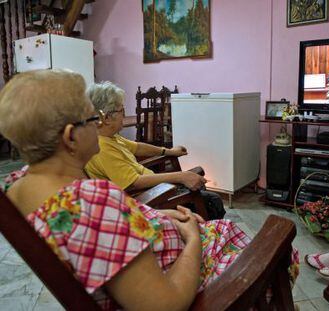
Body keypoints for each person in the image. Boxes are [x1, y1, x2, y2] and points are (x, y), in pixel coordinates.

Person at [0, 69, 299, 310]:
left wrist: (158, 215)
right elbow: (165, 303)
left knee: (221, 226)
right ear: (70, 137)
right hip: (184, 269)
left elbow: (107, 226)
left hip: (158, 240)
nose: (101, 124)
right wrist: (193, 239)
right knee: (275, 245)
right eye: (93, 118)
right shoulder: (95, 203)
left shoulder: (19, 186)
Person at [84, 81, 225, 220]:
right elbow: (134, 182)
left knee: (198, 186)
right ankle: (205, 236)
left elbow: (137, 147)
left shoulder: (110, 137)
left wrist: (168, 151)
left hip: (152, 189)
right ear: (107, 118)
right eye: (122, 110)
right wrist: (181, 176)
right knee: (212, 201)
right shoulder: (101, 148)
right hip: (146, 199)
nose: (124, 115)